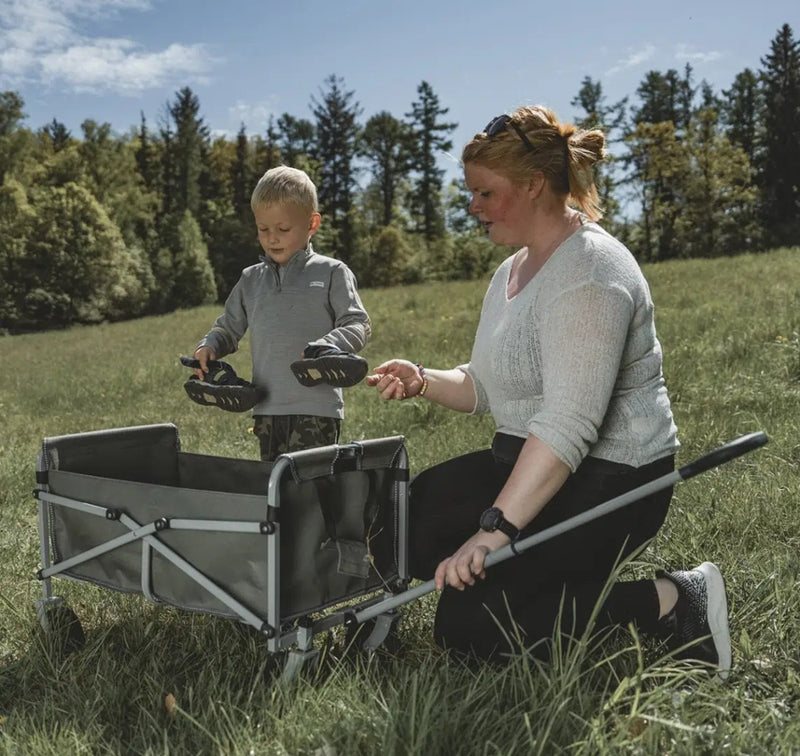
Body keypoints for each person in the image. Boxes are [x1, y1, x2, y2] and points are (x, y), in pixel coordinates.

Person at [366, 106, 732, 680]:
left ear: (534, 184)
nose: (472, 207)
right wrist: (421, 377)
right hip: (529, 457)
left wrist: (494, 533)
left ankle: (675, 600)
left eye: (485, 193)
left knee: (468, 630)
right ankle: (549, 575)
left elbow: (567, 423)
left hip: (614, 477)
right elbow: (485, 386)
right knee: (396, 525)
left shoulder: (591, 271)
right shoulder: (511, 269)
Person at [192, 165, 371, 461]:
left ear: (312, 224)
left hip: (316, 409)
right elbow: (228, 327)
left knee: (311, 493)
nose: (272, 238)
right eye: (263, 229)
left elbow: (358, 324)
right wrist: (209, 345)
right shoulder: (251, 280)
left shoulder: (332, 272)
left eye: (283, 229)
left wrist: (330, 346)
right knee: (276, 493)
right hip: (266, 408)